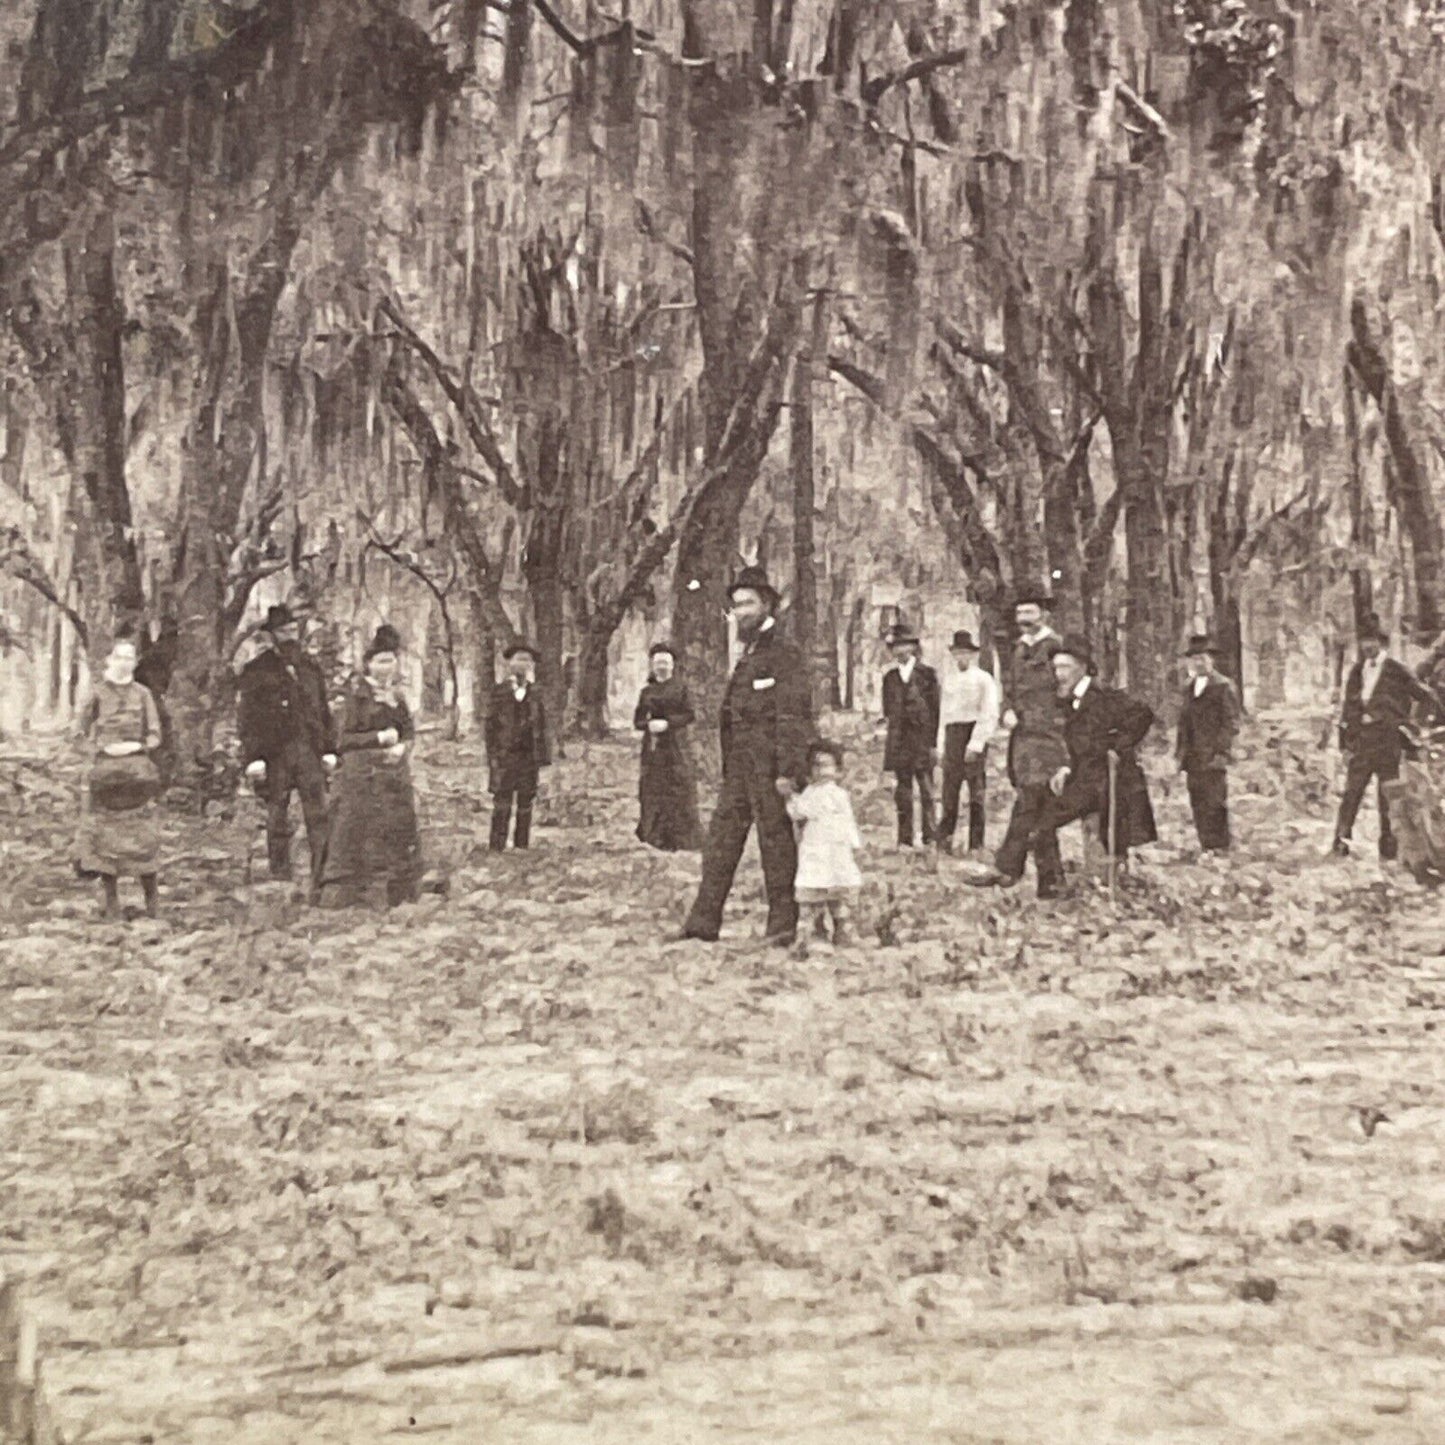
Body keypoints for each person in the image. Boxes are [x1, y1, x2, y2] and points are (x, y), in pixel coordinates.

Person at [681, 566, 814, 946]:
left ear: (767, 604)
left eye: (748, 604)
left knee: (776, 846)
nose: (741, 612)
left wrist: (789, 770)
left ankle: (782, 926)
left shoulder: (784, 653)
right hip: (739, 770)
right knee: (720, 843)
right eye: (736, 605)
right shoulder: (747, 653)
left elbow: (794, 715)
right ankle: (703, 923)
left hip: (771, 770)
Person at [967, 635, 1156, 898]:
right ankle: (1043, 883)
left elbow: (1143, 714)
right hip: (1079, 778)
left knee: (1040, 821)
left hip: (1106, 783)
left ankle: (1024, 875)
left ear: (1082, 667)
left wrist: (1115, 745)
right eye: (1055, 668)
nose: (1059, 674)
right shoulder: (1063, 701)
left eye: (1065, 668)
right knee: (1032, 800)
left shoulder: (1103, 696)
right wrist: (1065, 767)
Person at [316, 625, 422, 908]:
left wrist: (403, 746)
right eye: (380, 661)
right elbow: (342, 740)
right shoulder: (354, 696)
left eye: (390, 660)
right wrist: (376, 738)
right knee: (352, 830)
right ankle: (346, 894)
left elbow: (408, 731)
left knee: (397, 828)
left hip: (393, 775)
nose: (386, 667)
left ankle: (397, 893)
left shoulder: (397, 697)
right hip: (359, 776)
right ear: (368, 664)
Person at [237, 603, 337, 883]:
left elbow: (323, 711)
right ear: (272, 635)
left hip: (309, 750)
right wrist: (253, 758)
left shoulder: (310, 668)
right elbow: (247, 719)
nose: (289, 635)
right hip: (275, 753)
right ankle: (280, 876)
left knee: (318, 815)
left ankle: (322, 875)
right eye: (283, 631)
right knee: (277, 815)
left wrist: (330, 749)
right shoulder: (256, 671)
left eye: (293, 629)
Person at [1333, 615, 1443, 860]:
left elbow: (1427, 698)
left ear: (1382, 643)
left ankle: (1389, 849)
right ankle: (1340, 842)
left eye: (1372, 641)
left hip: (1388, 744)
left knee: (1388, 800)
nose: (1367, 646)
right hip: (1362, 744)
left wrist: (1413, 726)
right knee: (1352, 794)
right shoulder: (1357, 671)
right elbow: (1347, 709)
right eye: (1363, 642)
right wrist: (1346, 741)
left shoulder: (1396, 670)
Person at [76, 636, 164, 919]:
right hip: (106, 771)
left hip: (137, 770)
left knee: (144, 836)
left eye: (130, 657)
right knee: (106, 838)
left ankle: (152, 903)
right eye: (120, 657)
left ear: (135, 662)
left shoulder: (143, 694)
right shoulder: (97, 693)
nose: (125, 662)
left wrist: (138, 746)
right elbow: (79, 734)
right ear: (109, 660)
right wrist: (101, 748)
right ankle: (112, 902)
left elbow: (155, 734)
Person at [990, 591, 1068, 889]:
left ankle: (1010, 869)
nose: (1024, 619)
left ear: (1043, 615)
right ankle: (1048, 880)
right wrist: (1007, 710)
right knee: (1033, 802)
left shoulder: (1055, 646)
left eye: (1030, 613)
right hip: (1023, 738)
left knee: (1033, 801)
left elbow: (1065, 689)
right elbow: (1009, 688)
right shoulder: (1018, 649)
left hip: (1049, 738)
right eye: (1020, 614)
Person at [786, 740, 863, 956]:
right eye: (817, 766)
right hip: (816, 849)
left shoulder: (838, 794)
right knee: (814, 892)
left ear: (838, 770)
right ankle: (810, 934)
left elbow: (848, 820)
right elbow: (800, 811)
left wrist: (854, 843)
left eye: (828, 765)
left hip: (835, 849)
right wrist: (791, 798)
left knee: (837, 894)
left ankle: (843, 930)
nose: (822, 771)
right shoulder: (811, 792)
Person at [936, 630, 1000, 854]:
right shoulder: (949, 680)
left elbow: (989, 713)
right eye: (957, 654)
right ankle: (945, 840)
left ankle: (976, 844)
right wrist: (942, 745)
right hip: (953, 734)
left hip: (973, 731)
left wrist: (976, 744)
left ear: (972, 655)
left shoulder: (983, 679)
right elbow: (943, 715)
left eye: (965, 653)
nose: (961, 658)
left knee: (976, 792)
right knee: (949, 792)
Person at [633, 643, 702, 851]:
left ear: (672, 665)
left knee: (677, 786)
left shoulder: (681, 688)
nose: (661, 666)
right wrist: (649, 725)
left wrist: (669, 723)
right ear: (652, 666)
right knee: (654, 787)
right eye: (658, 662)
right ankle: (654, 834)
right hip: (653, 748)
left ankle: (680, 837)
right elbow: (637, 721)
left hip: (676, 746)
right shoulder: (647, 692)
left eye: (665, 662)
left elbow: (690, 715)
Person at [1176, 633, 1241, 853]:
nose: (1198, 662)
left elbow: (1231, 723)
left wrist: (1221, 752)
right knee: (1197, 800)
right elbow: (1183, 724)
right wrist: (1180, 753)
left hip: (1213, 755)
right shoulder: (1188, 687)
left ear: (1211, 660)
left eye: (1202, 657)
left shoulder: (1223, 686)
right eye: (1194, 658)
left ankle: (1220, 846)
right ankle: (1206, 845)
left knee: (1215, 802)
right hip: (1193, 756)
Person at [881, 623, 941, 848]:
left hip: (922, 741)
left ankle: (930, 838)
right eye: (895, 646)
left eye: (904, 645)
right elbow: (888, 711)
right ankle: (905, 839)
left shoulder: (927, 675)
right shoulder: (890, 678)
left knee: (926, 790)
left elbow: (936, 710)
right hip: (899, 742)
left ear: (914, 647)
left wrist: (934, 743)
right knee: (903, 792)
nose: (900, 651)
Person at [486, 643, 550, 851]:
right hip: (505, 756)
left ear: (531, 665)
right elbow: (490, 727)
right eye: (517, 659)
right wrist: (493, 757)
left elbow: (542, 726)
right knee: (502, 801)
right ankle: (497, 844)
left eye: (526, 660)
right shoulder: (499, 692)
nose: (521, 664)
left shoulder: (536, 693)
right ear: (509, 664)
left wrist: (542, 757)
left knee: (525, 801)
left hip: (528, 757)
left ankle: (522, 844)